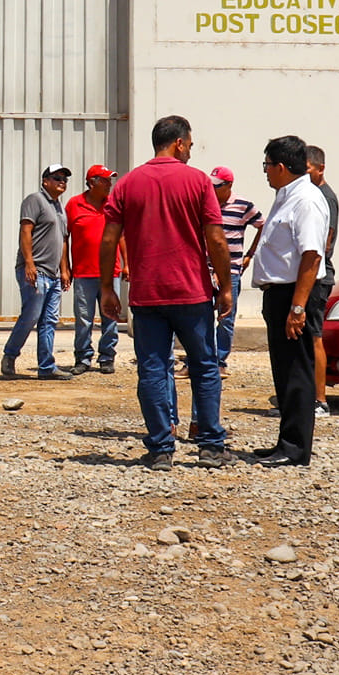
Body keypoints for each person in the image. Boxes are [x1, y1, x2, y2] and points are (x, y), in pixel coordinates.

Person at [98, 117, 238, 469]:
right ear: (179, 143)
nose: (191, 151)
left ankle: (161, 448)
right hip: (190, 291)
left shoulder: (127, 185)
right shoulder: (197, 182)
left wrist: (106, 288)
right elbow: (216, 239)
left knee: (153, 369)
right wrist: (224, 287)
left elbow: (109, 238)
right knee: (204, 366)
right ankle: (209, 446)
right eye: (190, 145)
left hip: (146, 295)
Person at [250, 135, 331, 467]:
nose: (266, 172)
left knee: (297, 372)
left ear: (281, 167)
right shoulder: (287, 196)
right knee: (284, 372)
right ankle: (285, 441)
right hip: (279, 294)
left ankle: (296, 449)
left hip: (294, 293)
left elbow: (311, 256)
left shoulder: (306, 200)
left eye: (267, 166)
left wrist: (297, 307)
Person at [0, 165, 74, 379]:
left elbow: (62, 242)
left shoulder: (60, 209)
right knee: (31, 315)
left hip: (52, 274)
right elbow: (25, 231)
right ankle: (10, 355)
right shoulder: (35, 200)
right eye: (57, 178)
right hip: (36, 270)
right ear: (45, 181)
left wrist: (64, 270)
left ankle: (46, 367)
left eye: (65, 179)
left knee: (49, 320)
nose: (62, 182)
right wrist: (29, 264)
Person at [65, 165, 124, 374]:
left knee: (111, 317)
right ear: (92, 183)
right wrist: (66, 268)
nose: (110, 185)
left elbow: (122, 236)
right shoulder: (74, 205)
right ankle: (83, 357)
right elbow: (65, 238)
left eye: (110, 181)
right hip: (84, 273)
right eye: (106, 181)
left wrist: (127, 264)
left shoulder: (113, 205)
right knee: (83, 318)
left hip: (111, 271)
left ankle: (107, 357)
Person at [211, 166, 264, 375]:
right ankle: (200, 360)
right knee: (201, 318)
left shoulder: (243, 206)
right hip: (206, 271)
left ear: (229, 185)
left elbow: (262, 225)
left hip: (231, 272)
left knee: (226, 318)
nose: (213, 190)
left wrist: (250, 254)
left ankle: (220, 361)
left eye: (217, 186)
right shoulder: (206, 205)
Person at [305, 144, 339, 418]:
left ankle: (320, 400)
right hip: (311, 276)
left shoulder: (324, 198)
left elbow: (323, 243)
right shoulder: (310, 194)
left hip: (318, 277)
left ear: (320, 168)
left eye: (308, 169)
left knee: (315, 337)